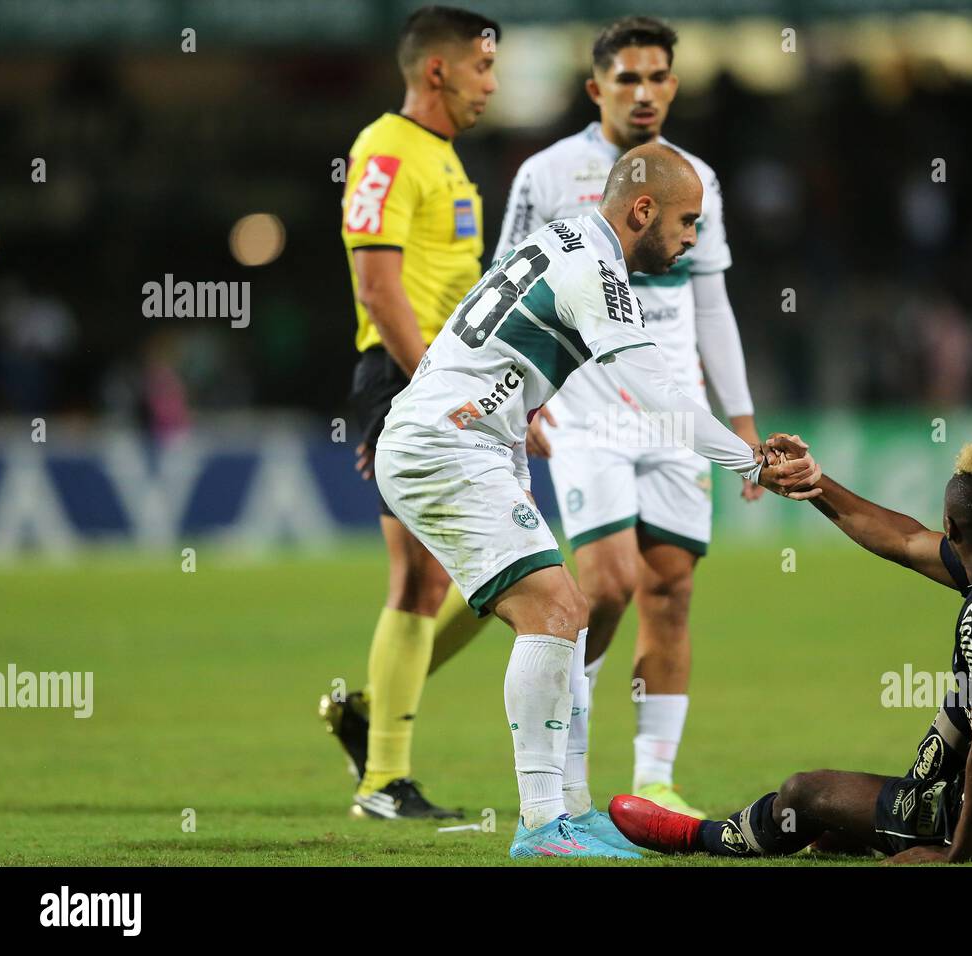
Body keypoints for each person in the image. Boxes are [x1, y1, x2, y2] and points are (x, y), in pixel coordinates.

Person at [374, 143, 819, 858]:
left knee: (565, 615)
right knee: (557, 609)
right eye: (686, 221)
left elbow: (481, 350)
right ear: (642, 209)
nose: (691, 239)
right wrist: (754, 461)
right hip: (445, 446)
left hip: (460, 440)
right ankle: (543, 826)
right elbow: (658, 398)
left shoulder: (559, 239)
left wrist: (512, 445)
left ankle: (568, 812)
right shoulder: (596, 268)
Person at [422, 15, 760, 818]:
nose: (644, 93)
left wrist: (739, 419)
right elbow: (503, 280)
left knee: (670, 589)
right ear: (596, 87)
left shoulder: (696, 179)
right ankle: (568, 748)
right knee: (604, 584)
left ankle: (654, 779)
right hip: (587, 407)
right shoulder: (548, 173)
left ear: (673, 85)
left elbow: (712, 306)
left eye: (657, 78)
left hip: (674, 409)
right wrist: (517, 395)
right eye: (628, 78)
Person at [611, 440, 972, 863]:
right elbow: (900, 540)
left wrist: (953, 859)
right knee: (964, 703)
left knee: (804, 795)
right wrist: (813, 482)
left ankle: (694, 838)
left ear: (950, 525)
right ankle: (876, 824)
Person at [320, 5, 499, 821]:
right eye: (482, 68)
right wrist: (430, 389)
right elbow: (378, 287)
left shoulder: (449, 164)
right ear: (437, 70)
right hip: (404, 377)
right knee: (422, 577)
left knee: (503, 575)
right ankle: (382, 781)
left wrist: (502, 394)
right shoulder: (385, 149)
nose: (491, 87)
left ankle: (366, 713)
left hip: (452, 381)